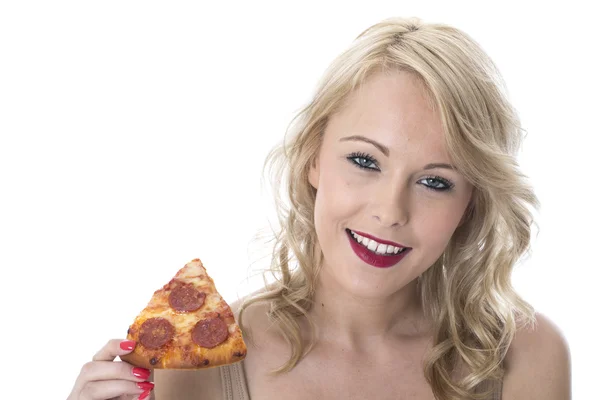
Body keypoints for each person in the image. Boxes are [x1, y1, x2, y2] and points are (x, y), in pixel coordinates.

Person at [68, 16, 571, 400]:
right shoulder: (194, 363)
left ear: (472, 202)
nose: (390, 210)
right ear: (313, 158)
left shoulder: (528, 358)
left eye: (435, 181)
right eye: (364, 160)